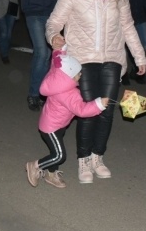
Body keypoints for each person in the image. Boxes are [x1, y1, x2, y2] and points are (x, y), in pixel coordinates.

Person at [46, 0, 146, 183]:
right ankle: (83, 161)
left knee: (107, 111)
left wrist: (139, 56)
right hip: (83, 59)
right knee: (89, 111)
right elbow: (53, 21)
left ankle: (97, 156)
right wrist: (54, 36)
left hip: (112, 56)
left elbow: (127, 25)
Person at [25, 50, 109, 189]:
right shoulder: (68, 93)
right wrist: (99, 104)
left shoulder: (57, 81)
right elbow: (81, 110)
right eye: (77, 74)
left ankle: (51, 174)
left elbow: (56, 63)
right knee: (59, 155)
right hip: (51, 127)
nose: (80, 75)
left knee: (56, 151)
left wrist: (60, 51)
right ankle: (35, 166)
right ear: (68, 77)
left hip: (56, 124)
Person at [7, 0, 66, 111]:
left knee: (50, 55)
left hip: (53, 15)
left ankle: (45, 92)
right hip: (34, 13)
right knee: (42, 52)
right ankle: (34, 94)